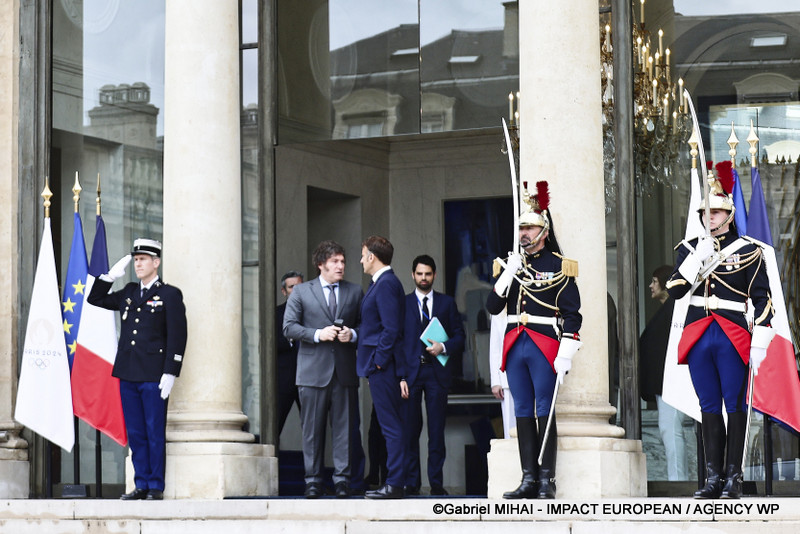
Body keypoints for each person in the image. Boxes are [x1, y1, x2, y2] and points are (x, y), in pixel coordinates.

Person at [665, 161, 773, 499]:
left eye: (716, 213)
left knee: (734, 405)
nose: (709, 218)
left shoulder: (749, 252)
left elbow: (763, 300)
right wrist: (698, 257)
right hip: (699, 332)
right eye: (705, 213)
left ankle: (733, 477)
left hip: (733, 334)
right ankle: (713, 478)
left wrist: (761, 340)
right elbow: (675, 289)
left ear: (729, 215)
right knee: (707, 405)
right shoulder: (689, 249)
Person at [485, 181, 582, 499]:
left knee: (544, 411)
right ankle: (528, 478)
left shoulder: (558, 266)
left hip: (544, 345)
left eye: (530, 227)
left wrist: (567, 348)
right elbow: (492, 307)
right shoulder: (510, 265)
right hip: (515, 345)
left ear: (544, 231)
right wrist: (508, 274)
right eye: (522, 227)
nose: (524, 233)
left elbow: (572, 313)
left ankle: (546, 481)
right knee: (522, 411)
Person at [88, 238, 187, 501]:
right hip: (129, 373)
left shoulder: (170, 295)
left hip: (154, 374)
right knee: (136, 432)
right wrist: (109, 276)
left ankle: (155, 485)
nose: (138, 263)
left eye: (143, 259)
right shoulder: (129, 291)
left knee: (154, 431)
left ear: (156, 262)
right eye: (136, 259)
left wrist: (171, 371)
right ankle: (141, 483)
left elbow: (177, 335)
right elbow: (95, 299)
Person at [282, 240, 363, 499]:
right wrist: (318, 334)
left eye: (342, 262)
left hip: (344, 371)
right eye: (335, 262)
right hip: (312, 371)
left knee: (344, 429)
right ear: (321, 265)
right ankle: (313, 480)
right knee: (312, 430)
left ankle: (342, 480)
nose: (341, 267)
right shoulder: (302, 292)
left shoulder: (354, 291)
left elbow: (366, 326)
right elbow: (289, 327)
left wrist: (351, 334)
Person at [400, 255, 465, 496]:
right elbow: (398, 341)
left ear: (434, 275)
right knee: (410, 430)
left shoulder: (447, 303)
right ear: (413, 275)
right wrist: (400, 376)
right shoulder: (404, 303)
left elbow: (460, 336)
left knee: (436, 431)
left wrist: (443, 346)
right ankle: (411, 482)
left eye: (428, 274)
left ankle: (436, 483)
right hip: (411, 373)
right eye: (419, 274)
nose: (424, 278)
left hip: (437, 372)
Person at [357, 235, 407, 499]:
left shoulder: (386, 283)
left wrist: (378, 362)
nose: (360, 259)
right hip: (381, 366)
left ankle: (395, 483)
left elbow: (390, 329)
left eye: (362, 254)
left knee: (390, 426)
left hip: (383, 367)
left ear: (371, 257)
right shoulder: (383, 282)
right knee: (388, 425)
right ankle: (395, 481)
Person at [639, 265, 688, 480]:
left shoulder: (675, 309)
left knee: (670, 430)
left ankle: (678, 482)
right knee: (669, 430)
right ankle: (678, 480)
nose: (650, 286)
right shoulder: (667, 309)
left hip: (673, 382)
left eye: (654, 281)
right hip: (665, 383)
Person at [276, 270, 303, 435]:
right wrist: (293, 337)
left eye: (299, 286)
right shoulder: (275, 314)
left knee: (312, 429)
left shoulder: (314, 313)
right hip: (284, 380)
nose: (296, 290)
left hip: (309, 379)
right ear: (284, 291)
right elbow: (269, 345)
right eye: (291, 287)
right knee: (274, 426)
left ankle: (314, 462)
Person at [489, 308, 516, 438]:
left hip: (532, 375)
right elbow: (495, 347)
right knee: (510, 429)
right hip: (506, 377)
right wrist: (495, 381)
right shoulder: (499, 308)